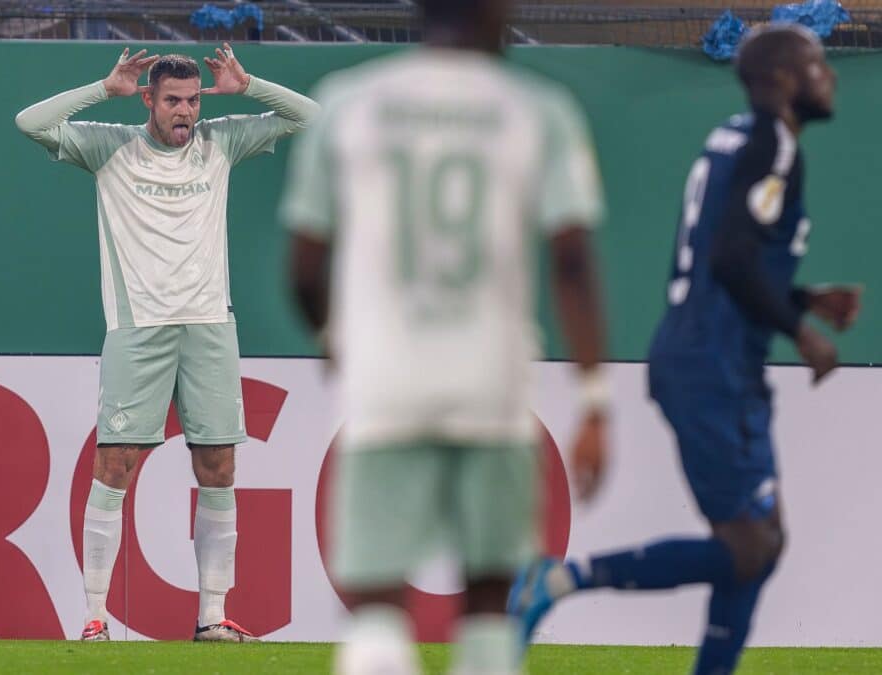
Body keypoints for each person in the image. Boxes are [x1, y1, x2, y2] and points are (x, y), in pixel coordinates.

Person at [512, 23, 861, 674]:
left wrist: (806, 299)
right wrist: (802, 331)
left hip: (715, 355)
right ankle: (560, 580)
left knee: (761, 542)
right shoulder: (773, 144)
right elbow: (731, 258)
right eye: (816, 64)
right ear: (783, 79)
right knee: (749, 544)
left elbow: (724, 257)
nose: (830, 74)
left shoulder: (734, 138)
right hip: (711, 363)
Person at [281, 0, 610, 671]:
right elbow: (572, 261)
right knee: (488, 604)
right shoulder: (537, 108)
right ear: (495, 13)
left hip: (387, 383)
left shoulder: (349, 102)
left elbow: (303, 268)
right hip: (491, 382)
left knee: (375, 607)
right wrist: (595, 396)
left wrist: (336, 337)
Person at [15, 43, 318, 642]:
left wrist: (248, 83)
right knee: (115, 464)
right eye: (174, 100)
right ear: (149, 100)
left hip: (209, 328)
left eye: (193, 100)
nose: (186, 111)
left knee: (219, 466)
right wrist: (104, 89)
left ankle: (211, 617)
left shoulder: (220, 142)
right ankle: (95, 618)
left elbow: (313, 117)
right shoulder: (109, 148)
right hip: (139, 330)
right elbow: (30, 122)